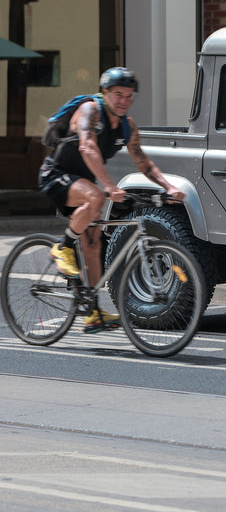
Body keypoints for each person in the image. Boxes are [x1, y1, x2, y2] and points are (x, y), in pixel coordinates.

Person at [38, 67, 185, 333]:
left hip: (82, 182)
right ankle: (62, 247)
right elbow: (87, 146)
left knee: (94, 245)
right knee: (96, 196)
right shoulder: (90, 110)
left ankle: (92, 312)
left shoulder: (127, 126)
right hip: (56, 175)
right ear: (104, 92)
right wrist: (108, 185)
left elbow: (142, 161)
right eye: (118, 94)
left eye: (129, 96)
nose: (123, 100)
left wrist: (168, 186)